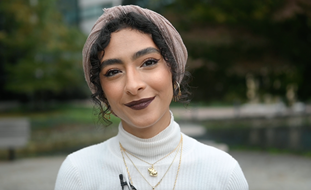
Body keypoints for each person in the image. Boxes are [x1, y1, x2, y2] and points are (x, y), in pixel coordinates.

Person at [55, 5, 248, 190]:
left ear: (173, 69)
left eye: (148, 62)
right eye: (113, 72)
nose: (133, 85)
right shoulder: (78, 174)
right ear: (101, 90)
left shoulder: (223, 173)